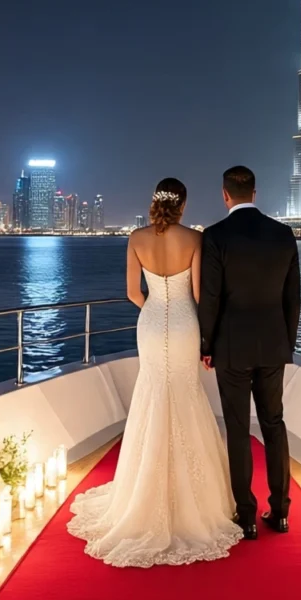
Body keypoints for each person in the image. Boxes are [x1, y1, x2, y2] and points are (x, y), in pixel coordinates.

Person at [67, 177, 243, 567]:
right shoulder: (194, 239)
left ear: (154, 202)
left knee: (151, 394)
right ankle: (199, 501)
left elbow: (133, 292)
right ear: (183, 204)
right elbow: (199, 295)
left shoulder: (136, 237)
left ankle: (141, 495)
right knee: (185, 393)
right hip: (184, 323)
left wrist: (154, 306)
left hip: (150, 322)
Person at [198, 165, 301, 539]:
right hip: (274, 345)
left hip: (230, 346)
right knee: (274, 425)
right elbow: (293, 298)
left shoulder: (215, 236)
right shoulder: (283, 234)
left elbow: (210, 298)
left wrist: (205, 344)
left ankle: (246, 517)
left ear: (225, 195)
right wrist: (285, 344)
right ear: (255, 194)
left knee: (239, 430)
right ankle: (282, 512)